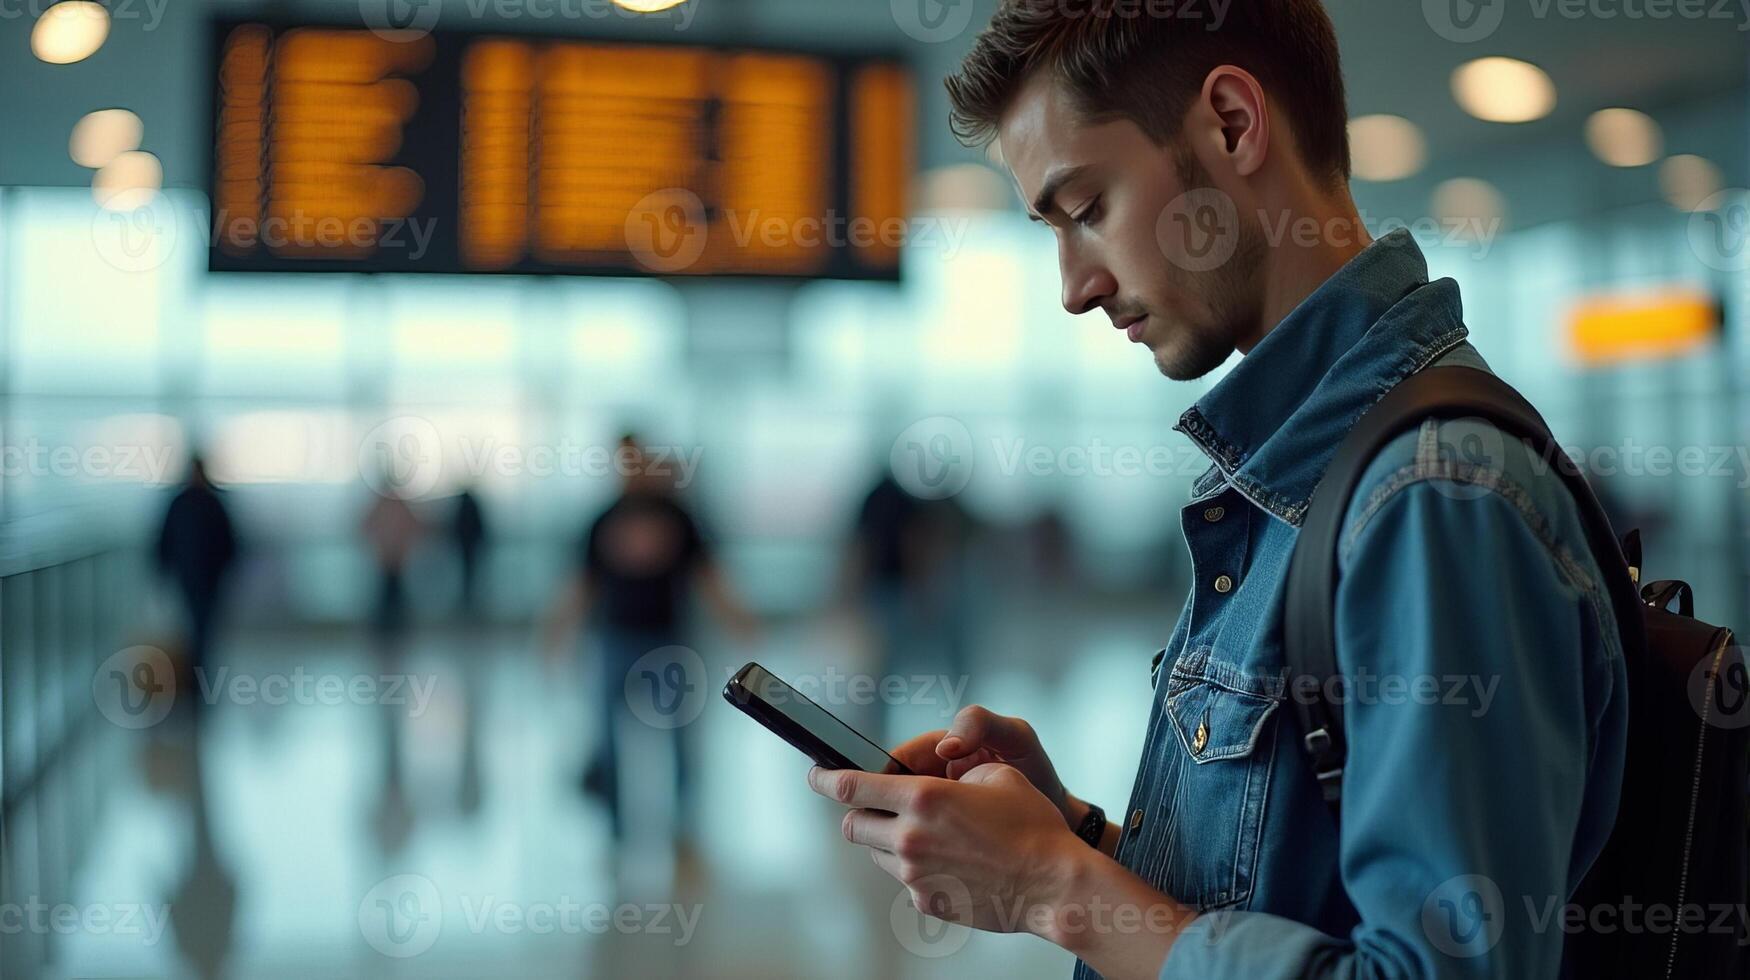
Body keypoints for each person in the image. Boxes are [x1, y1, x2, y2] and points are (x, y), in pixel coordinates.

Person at [805, 4, 1628, 979]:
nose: (1071, 286)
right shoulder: (1317, 472)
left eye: (1085, 208)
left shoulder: (1427, 495)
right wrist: (1070, 838)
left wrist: (1049, 884)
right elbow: (1288, 899)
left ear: (1232, 124)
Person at [544, 433, 756, 851]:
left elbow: (707, 575)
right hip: (614, 640)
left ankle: (684, 825)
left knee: (681, 737)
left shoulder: (677, 515)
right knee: (607, 735)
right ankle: (616, 826)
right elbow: (582, 584)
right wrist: (556, 634)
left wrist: (739, 621)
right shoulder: (604, 518)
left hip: (669, 643)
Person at [156, 455, 238, 680]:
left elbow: (229, 541)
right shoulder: (183, 503)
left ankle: (198, 671)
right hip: (189, 575)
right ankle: (196, 671)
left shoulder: (209, 503)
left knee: (203, 624)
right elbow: (166, 540)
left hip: (208, 576)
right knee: (194, 623)